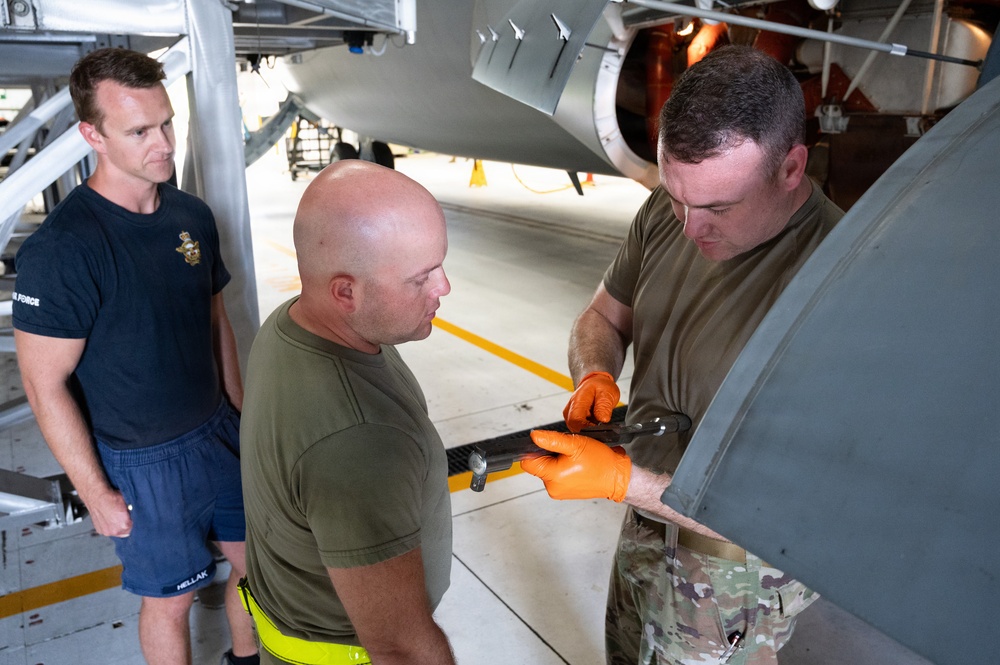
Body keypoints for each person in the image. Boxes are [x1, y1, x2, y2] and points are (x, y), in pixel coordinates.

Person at [521, 45, 844, 665]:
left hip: (734, 575)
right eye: (677, 196)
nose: (691, 227)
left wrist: (621, 479)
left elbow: (796, 520)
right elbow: (601, 316)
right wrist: (595, 371)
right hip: (645, 520)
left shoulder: (839, 283)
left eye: (719, 208)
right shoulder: (671, 213)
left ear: (791, 167)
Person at [11, 48, 257, 665]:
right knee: (171, 602)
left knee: (259, 570)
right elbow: (46, 385)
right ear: (91, 134)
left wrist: (240, 409)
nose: (165, 144)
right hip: (143, 463)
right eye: (141, 131)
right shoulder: (63, 248)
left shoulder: (191, 215)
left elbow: (214, 317)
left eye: (167, 123)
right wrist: (95, 491)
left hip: (218, 434)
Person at [238, 160, 455, 665]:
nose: (443, 288)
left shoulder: (293, 324)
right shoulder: (359, 440)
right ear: (345, 292)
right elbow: (401, 648)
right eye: (420, 277)